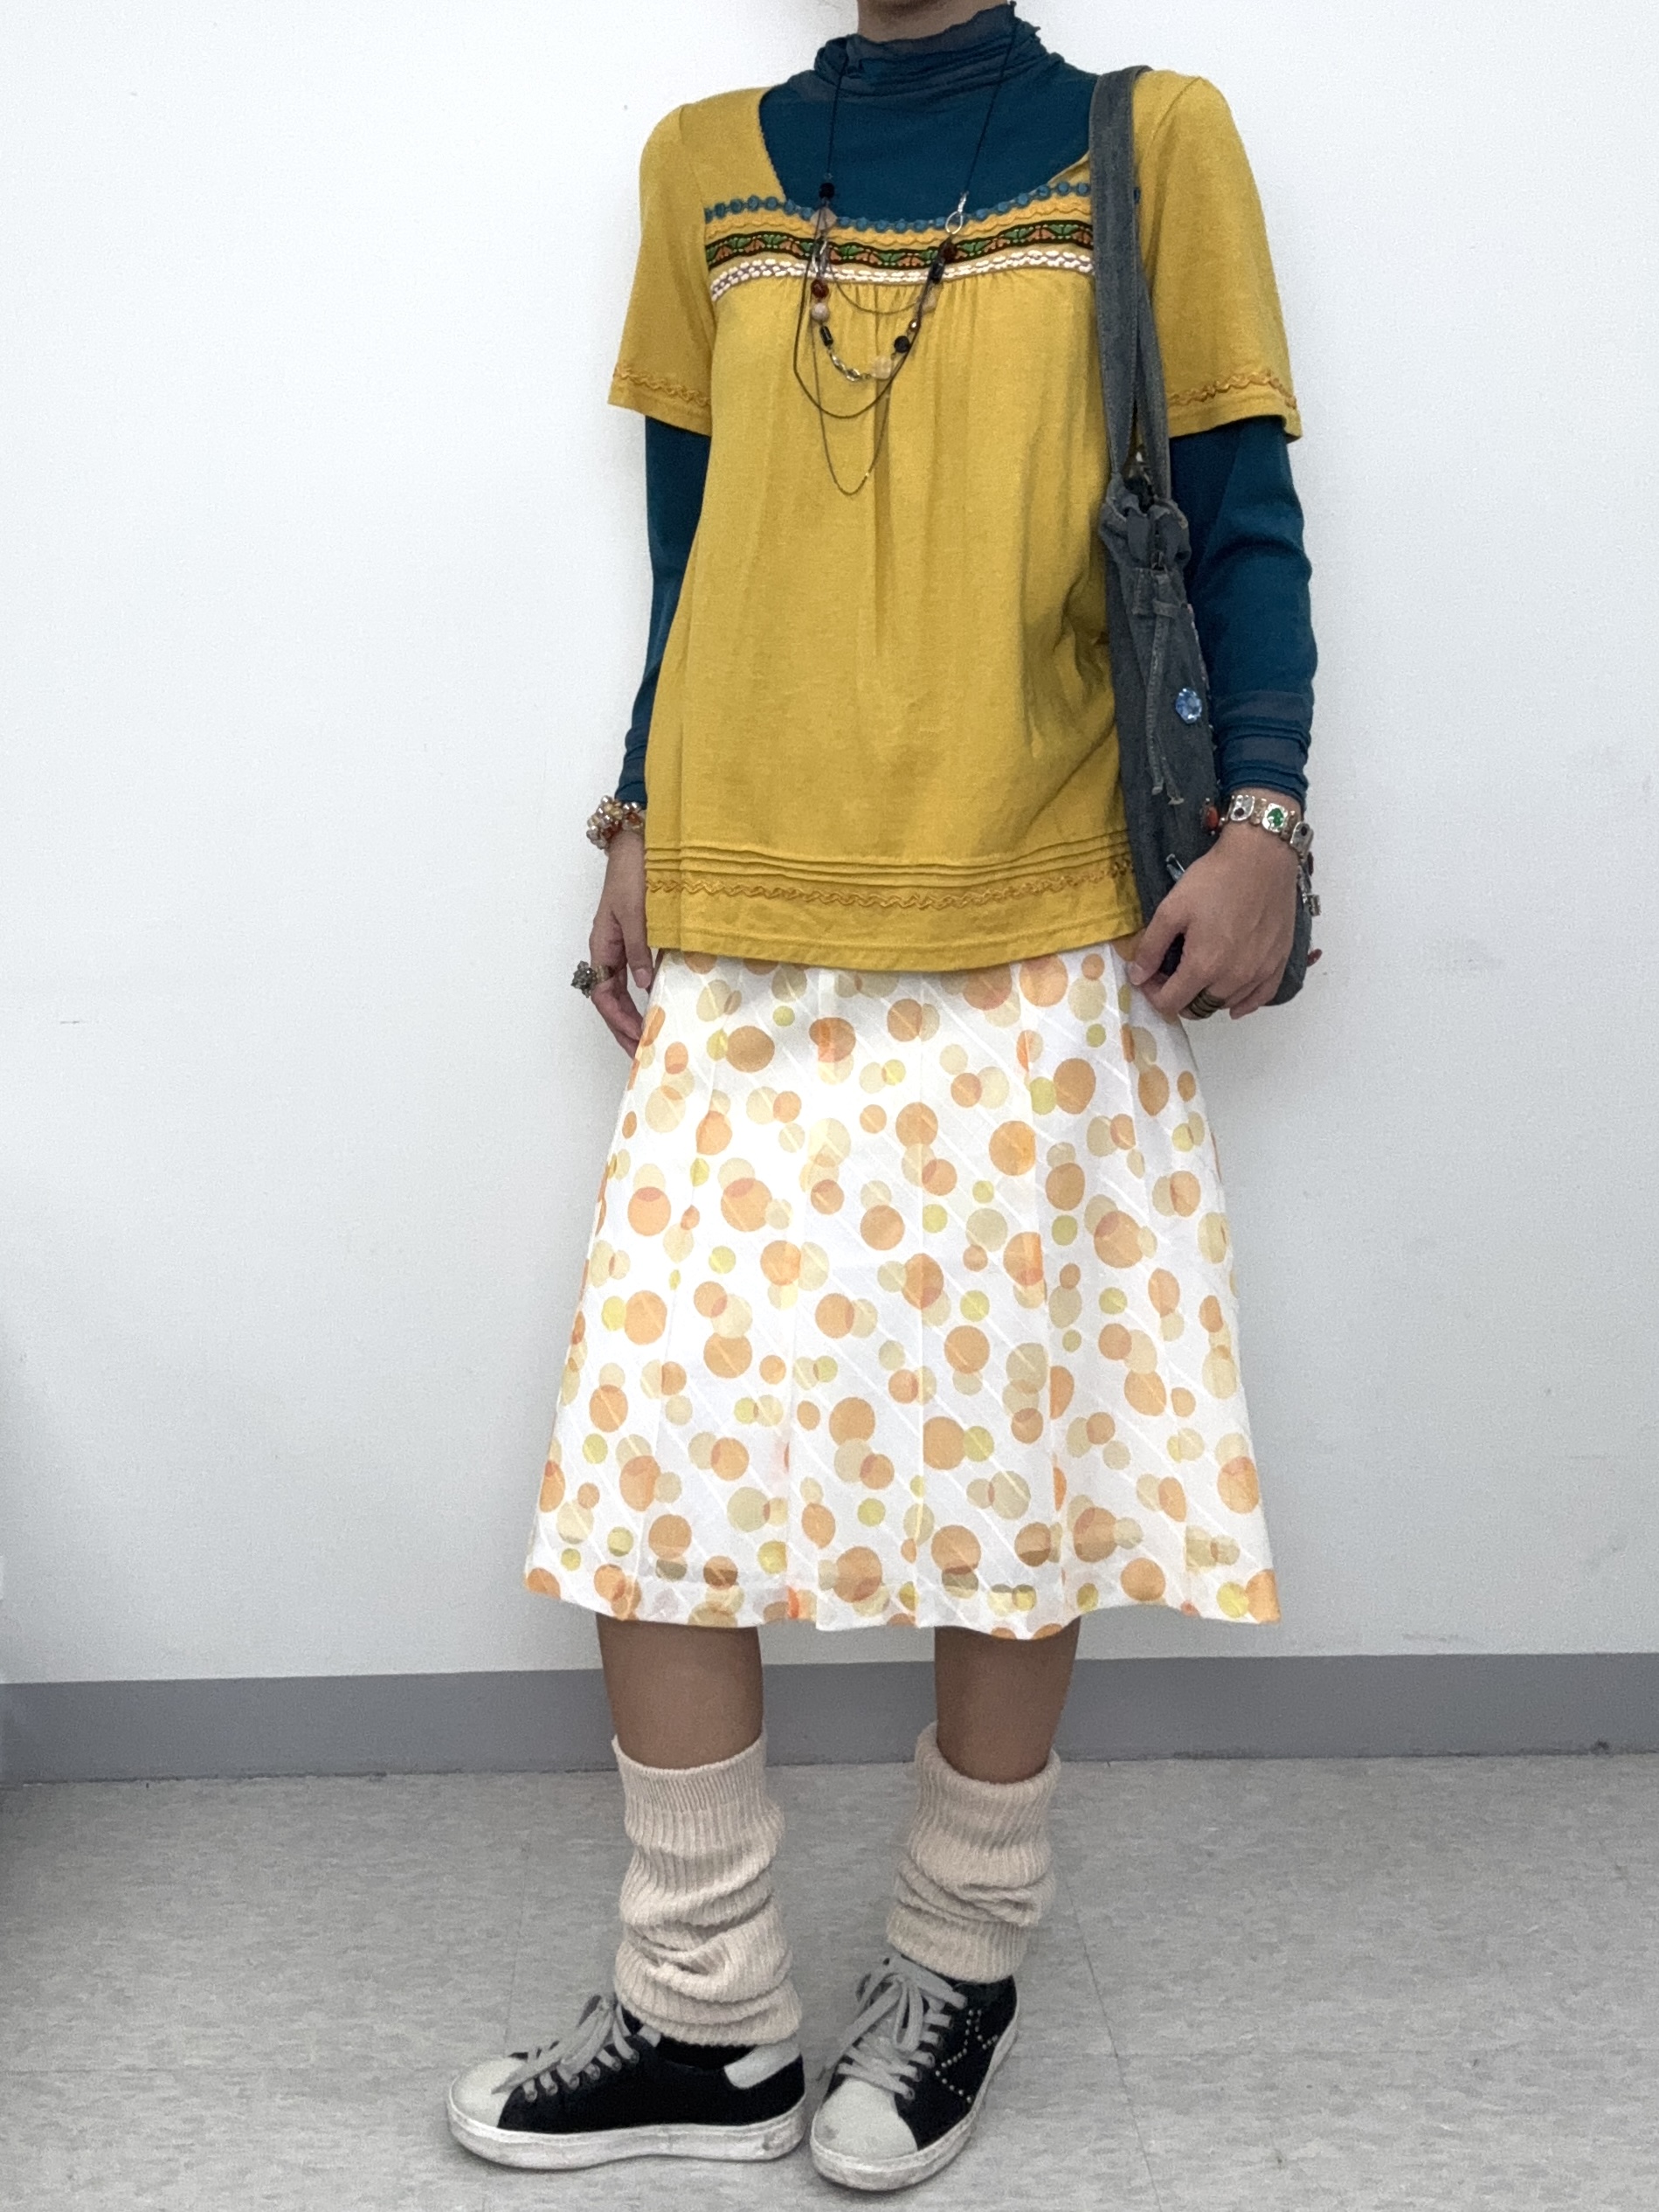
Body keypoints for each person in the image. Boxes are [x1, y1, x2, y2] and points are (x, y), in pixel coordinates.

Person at [448, 0, 1315, 2190]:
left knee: (1009, 1470)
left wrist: (1265, 818)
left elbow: (1239, 514)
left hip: (1039, 905)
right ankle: (702, 2011)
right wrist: (639, 813)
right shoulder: (702, 162)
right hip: (752, 905)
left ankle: (956, 1963)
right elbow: (692, 545)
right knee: (657, 1462)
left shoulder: (1148, 140)